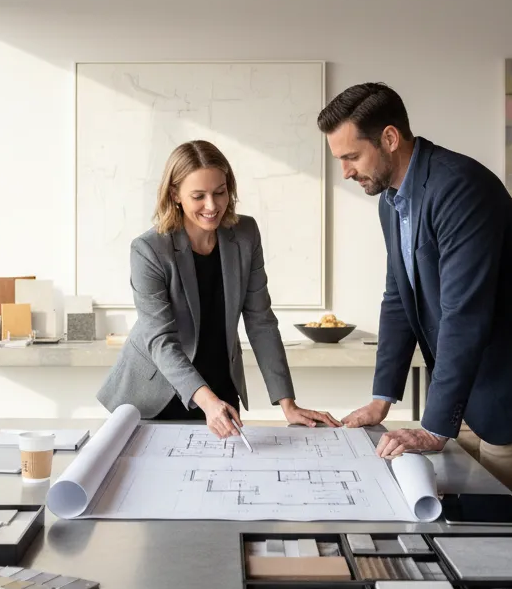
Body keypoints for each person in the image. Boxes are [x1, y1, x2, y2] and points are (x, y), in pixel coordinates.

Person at [317, 83, 512, 509]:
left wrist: (434, 428)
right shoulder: (392, 200)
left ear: (389, 138)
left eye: (351, 157)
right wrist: (381, 398)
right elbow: (398, 299)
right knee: (455, 515)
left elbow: (464, 313)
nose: (346, 172)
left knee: (501, 528)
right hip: (467, 392)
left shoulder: (459, 188)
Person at [98, 140, 338, 439]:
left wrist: (287, 404)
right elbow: (160, 340)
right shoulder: (149, 249)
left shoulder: (245, 234)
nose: (212, 206)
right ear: (175, 194)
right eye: (198, 196)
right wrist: (207, 402)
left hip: (221, 386)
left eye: (220, 192)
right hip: (158, 393)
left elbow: (260, 320)